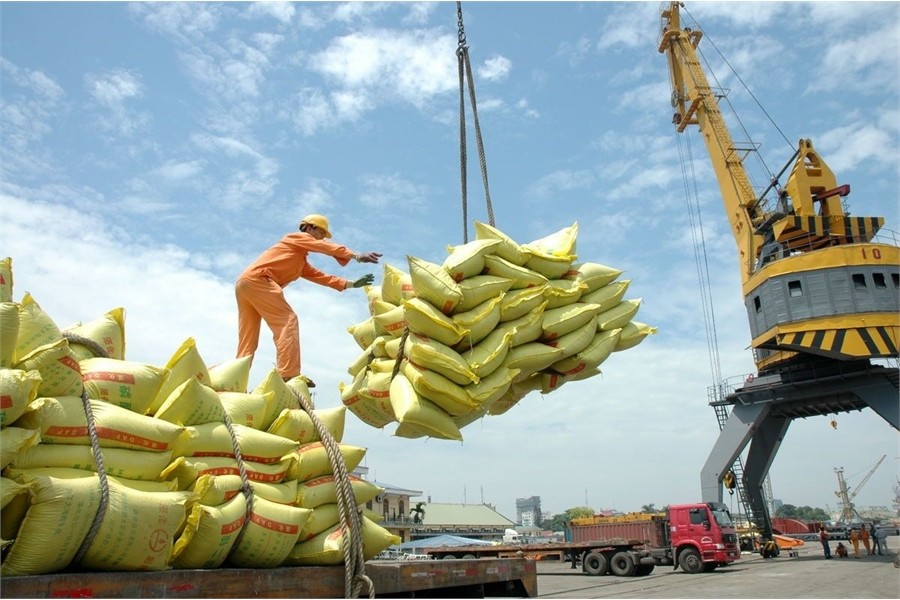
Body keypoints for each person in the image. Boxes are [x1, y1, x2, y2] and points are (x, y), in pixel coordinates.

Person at [235, 214, 382, 386]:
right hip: (258, 281)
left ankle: (234, 379)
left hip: (245, 284)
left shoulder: (299, 260)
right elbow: (321, 246)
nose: (322, 238)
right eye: (321, 233)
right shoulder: (295, 238)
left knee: (248, 339)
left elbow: (321, 277)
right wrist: (355, 256)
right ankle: (288, 374)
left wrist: (350, 284)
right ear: (310, 227)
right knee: (288, 321)